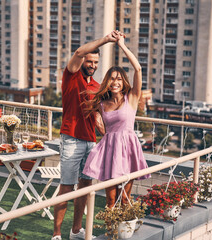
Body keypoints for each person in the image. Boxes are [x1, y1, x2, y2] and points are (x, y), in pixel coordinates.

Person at [52, 31, 121, 240]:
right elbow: (79, 51)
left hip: (91, 142)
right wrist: (107, 40)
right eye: (89, 61)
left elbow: (99, 118)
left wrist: (110, 136)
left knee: (84, 187)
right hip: (71, 139)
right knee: (67, 186)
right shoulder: (71, 76)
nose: (92, 64)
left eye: (96, 62)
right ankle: (56, 234)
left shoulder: (97, 87)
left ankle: (75, 231)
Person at [82, 32, 151, 209]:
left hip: (128, 150)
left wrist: (121, 45)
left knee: (125, 199)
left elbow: (138, 69)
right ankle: (111, 233)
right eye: (112, 78)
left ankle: (124, 233)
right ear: (107, 81)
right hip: (111, 151)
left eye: (119, 79)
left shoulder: (132, 98)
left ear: (123, 82)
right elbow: (99, 123)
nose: (115, 82)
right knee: (110, 200)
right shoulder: (102, 103)